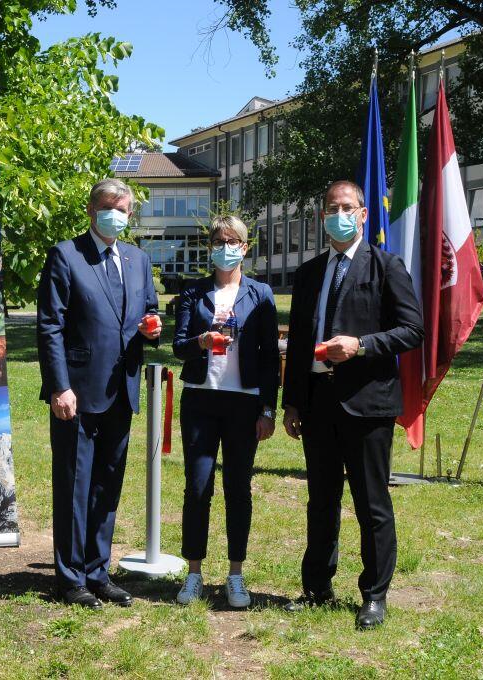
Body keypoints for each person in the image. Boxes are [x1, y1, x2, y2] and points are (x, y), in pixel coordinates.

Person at [282, 180, 423, 630]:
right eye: (330, 208)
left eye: (346, 207)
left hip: (368, 405)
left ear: (363, 214)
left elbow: (412, 329)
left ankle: (374, 595)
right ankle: (317, 587)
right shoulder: (308, 274)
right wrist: (292, 403)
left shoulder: (386, 266)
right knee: (321, 501)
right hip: (319, 404)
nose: (337, 214)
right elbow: (301, 343)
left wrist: (361, 345)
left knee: (371, 503)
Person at [37, 178, 162, 609]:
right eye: (111, 206)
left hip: (121, 390)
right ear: (92, 210)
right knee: (75, 486)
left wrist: (152, 327)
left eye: (125, 208)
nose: (118, 214)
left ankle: (97, 571)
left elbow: (148, 311)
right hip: (76, 392)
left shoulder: (138, 259)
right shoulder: (66, 255)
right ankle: (70, 579)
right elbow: (50, 326)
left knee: (107, 485)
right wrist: (59, 386)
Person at [171, 215, 279, 609]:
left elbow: (270, 359)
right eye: (219, 240)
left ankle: (236, 574)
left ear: (245, 247)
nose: (226, 246)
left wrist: (268, 408)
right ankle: (194, 573)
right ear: (210, 246)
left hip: (243, 402)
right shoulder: (194, 292)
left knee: (238, 488)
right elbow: (179, 346)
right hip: (200, 400)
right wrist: (201, 340)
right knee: (198, 487)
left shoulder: (261, 293)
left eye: (233, 240)